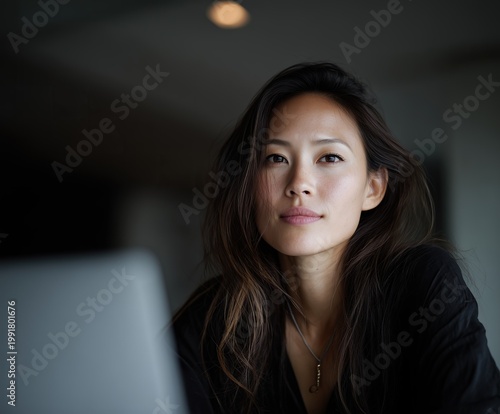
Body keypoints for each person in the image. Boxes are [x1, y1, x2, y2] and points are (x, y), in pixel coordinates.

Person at [171, 62, 500, 413]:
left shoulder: (421, 284)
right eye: (275, 158)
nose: (299, 183)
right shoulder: (212, 320)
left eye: (329, 157)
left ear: (372, 188)